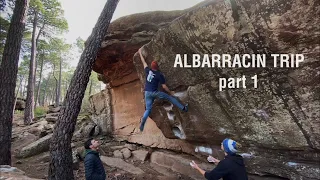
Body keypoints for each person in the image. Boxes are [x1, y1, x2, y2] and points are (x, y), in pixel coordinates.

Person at [137, 46, 189, 132]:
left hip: (147, 93)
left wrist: (139, 53)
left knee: (148, 109)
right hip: (155, 92)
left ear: (151, 66)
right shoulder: (159, 75)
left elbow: (144, 62)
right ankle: (184, 108)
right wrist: (170, 92)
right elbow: (164, 87)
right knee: (170, 98)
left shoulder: (148, 71)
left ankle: (143, 123)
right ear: (157, 67)